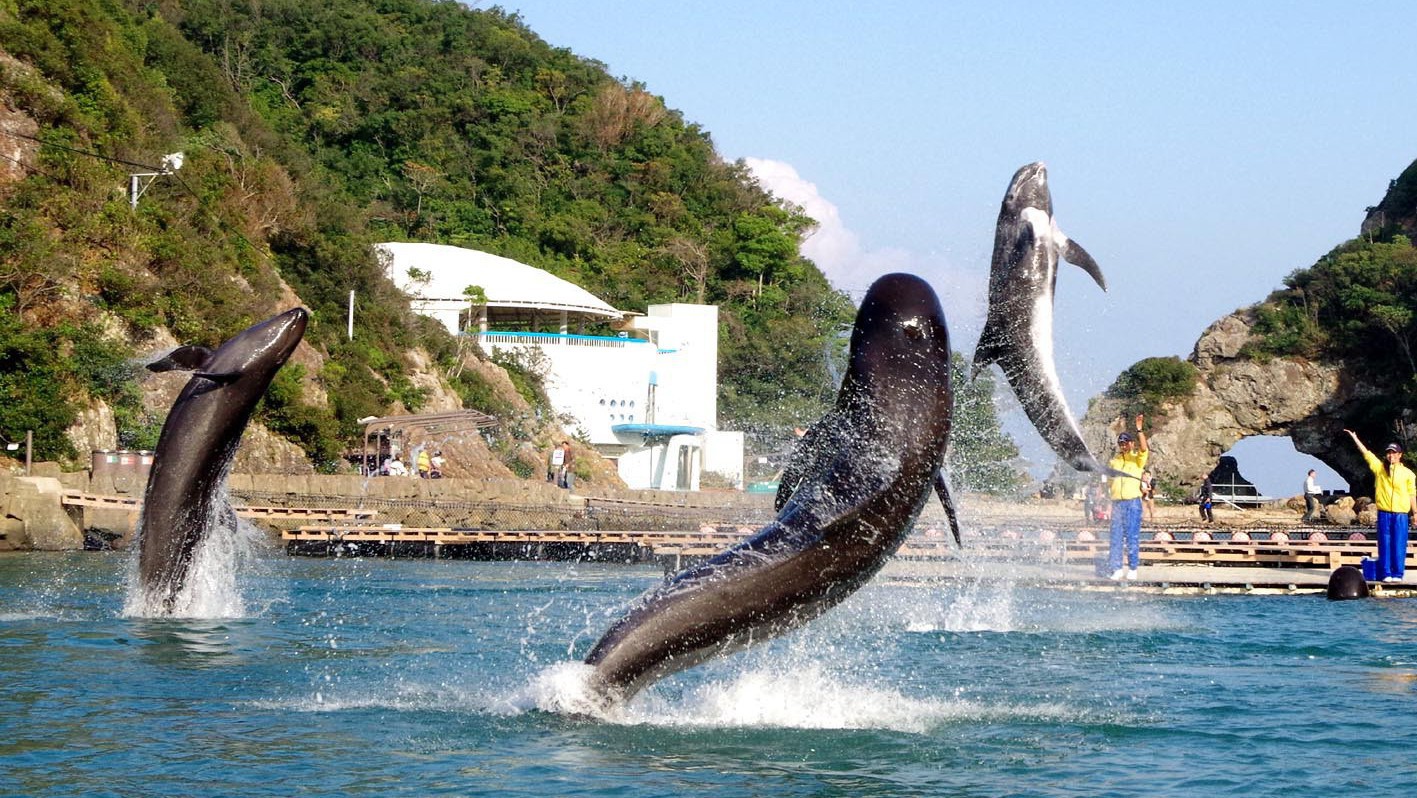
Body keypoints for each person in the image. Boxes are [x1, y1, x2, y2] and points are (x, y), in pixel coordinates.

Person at [1345, 430, 1416, 582]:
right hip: (1384, 513)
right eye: (1388, 453)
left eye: (1393, 453)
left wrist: (1415, 513)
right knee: (1384, 543)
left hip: (1400, 514)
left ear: (1399, 455)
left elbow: (1412, 494)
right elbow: (1367, 454)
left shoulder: (1408, 474)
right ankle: (1386, 573)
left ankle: (1397, 573)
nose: (1391, 455)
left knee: (1399, 544)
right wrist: (1355, 438)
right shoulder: (1380, 469)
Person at [1107, 414, 1149, 581]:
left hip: (1132, 503)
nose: (1123, 445)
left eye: (1126, 443)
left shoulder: (1136, 459)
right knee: (1115, 536)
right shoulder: (1114, 461)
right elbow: (1110, 482)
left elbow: (1144, 448)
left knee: (1132, 536)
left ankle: (1132, 568)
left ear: (1131, 444)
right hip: (1117, 503)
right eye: (1121, 443)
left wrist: (1139, 430)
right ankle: (1116, 568)